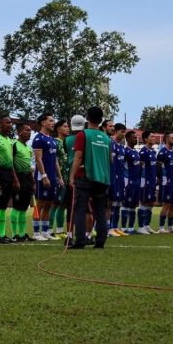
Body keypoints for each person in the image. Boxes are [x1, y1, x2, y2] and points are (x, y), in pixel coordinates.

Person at [69, 107, 112, 249]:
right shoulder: (106, 138)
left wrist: (71, 176)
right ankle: (100, 241)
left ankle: (80, 240)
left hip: (85, 176)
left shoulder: (83, 134)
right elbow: (110, 159)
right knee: (100, 210)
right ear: (101, 120)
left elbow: (78, 156)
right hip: (102, 178)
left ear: (87, 118)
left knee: (80, 208)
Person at [32, 114, 61, 241]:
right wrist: (44, 176)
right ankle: (36, 233)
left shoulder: (53, 140)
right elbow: (38, 160)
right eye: (50, 120)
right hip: (42, 177)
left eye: (53, 120)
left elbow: (55, 160)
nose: (53, 123)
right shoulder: (38, 139)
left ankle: (45, 232)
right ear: (43, 122)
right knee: (40, 204)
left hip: (53, 177)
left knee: (49, 204)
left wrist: (59, 177)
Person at [11, 122, 36, 242]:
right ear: (19, 132)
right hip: (18, 177)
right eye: (27, 130)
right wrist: (15, 179)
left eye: (30, 130)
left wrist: (33, 182)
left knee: (24, 207)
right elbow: (11, 163)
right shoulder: (14, 145)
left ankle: (22, 234)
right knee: (17, 206)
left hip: (27, 178)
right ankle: (15, 234)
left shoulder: (29, 147)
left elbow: (29, 165)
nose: (29, 132)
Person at [157, 133, 173, 234]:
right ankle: (161, 227)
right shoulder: (162, 152)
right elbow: (158, 169)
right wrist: (162, 179)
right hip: (166, 182)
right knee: (166, 204)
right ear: (166, 140)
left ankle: (170, 227)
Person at [107, 123, 128, 237]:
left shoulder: (121, 146)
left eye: (125, 132)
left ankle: (114, 226)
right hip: (112, 177)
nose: (124, 134)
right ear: (116, 131)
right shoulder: (110, 143)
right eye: (122, 132)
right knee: (110, 203)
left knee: (118, 202)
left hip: (120, 178)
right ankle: (108, 227)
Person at [137, 131, 159, 235]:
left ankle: (147, 225)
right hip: (145, 180)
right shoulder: (143, 152)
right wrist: (142, 180)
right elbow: (139, 168)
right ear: (145, 139)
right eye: (152, 137)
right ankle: (141, 227)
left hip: (152, 180)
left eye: (154, 136)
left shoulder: (153, 152)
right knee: (143, 202)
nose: (154, 138)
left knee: (151, 203)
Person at [121, 130, 141, 234]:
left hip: (137, 182)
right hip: (128, 181)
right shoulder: (125, 152)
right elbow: (122, 167)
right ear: (128, 139)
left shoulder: (136, 153)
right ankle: (123, 228)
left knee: (133, 205)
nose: (136, 139)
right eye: (134, 137)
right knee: (126, 204)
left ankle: (131, 227)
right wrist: (125, 181)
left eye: (136, 137)